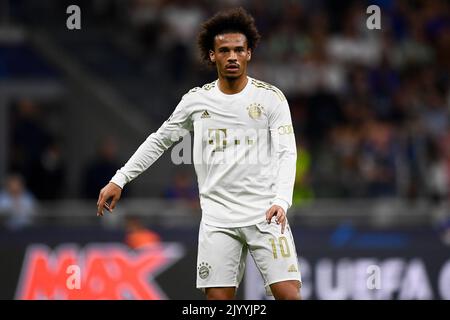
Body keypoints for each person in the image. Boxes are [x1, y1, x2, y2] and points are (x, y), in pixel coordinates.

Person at [97, 7, 301, 300]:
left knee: (289, 295)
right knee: (217, 300)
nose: (232, 56)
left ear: (249, 54)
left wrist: (282, 200)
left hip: (266, 214)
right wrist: (119, 180)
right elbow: (159, 141)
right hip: (218, 219)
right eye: (224, 50)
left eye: (239, 50)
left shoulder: (270, 98)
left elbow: (287, 152)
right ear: (212, 55)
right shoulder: (196, 101)